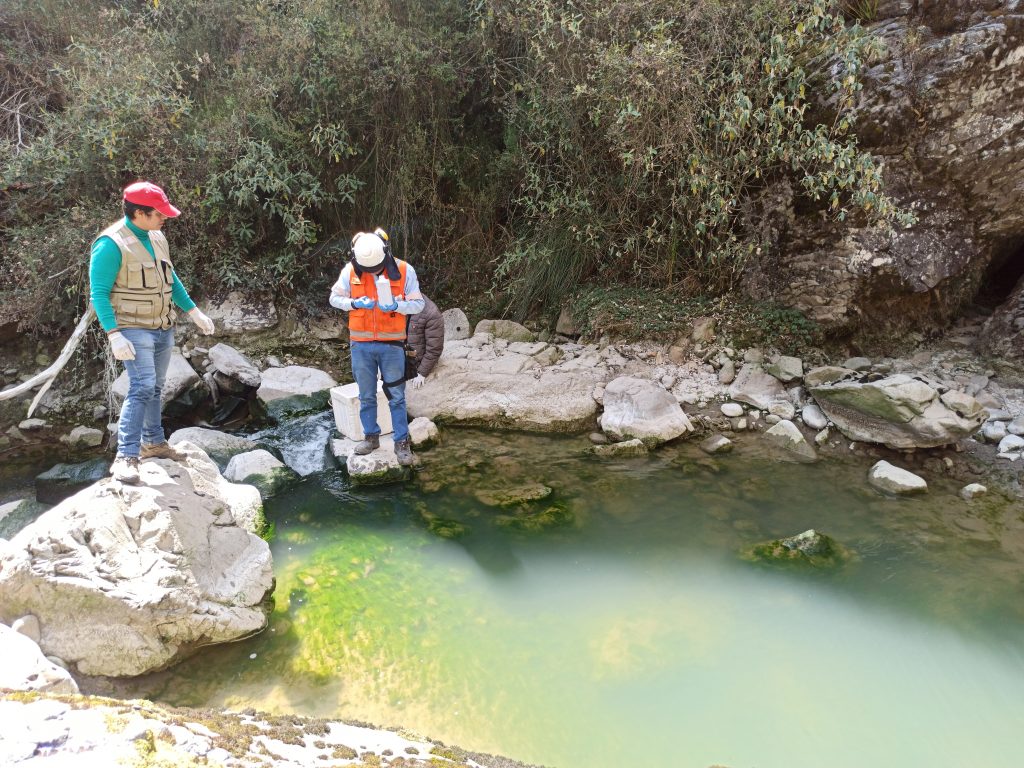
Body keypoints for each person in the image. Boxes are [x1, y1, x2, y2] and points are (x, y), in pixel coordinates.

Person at [89, 181, 215, 484]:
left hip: (161, 326)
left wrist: (194, 311)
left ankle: (154, 443)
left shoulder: (157, 237)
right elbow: (99, 293)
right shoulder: (110, 244)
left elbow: (171, 279)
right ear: (139, 213)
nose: (165, 218)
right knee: (142, 387)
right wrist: (114, 334)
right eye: (159, 213)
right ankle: (126, 457)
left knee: (156, 387)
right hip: (132, 330)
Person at [329, 229, 423, 466]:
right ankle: (371, 437)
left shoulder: (403, 270)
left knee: (397, 397)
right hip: (361, 345)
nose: (372, 273)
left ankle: (402, 443)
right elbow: (334, 298)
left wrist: (397, 305)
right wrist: (353, 303)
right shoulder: (351, 270)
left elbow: (418, 304)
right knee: (366, 395)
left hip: (392, 345)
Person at [406, 293, 445, 389]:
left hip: (418, 363)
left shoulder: (431, 312)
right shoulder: (396, 304)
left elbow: (434, 348)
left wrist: (421, 372)